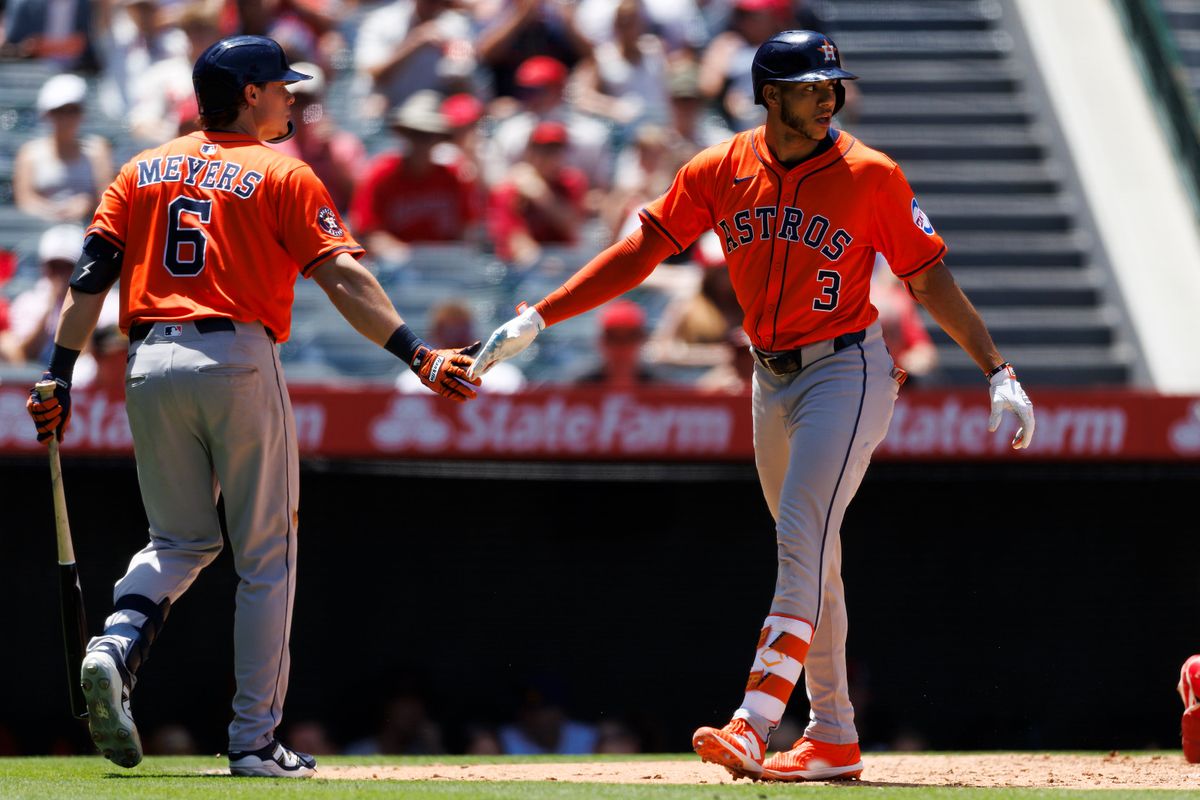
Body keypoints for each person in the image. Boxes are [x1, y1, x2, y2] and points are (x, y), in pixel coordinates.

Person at [468, 30, 1035, 782]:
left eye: (832, 85)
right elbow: (641, 251)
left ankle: (756, 720)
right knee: (816, 558)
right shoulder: (720, 167)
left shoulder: (871, 173)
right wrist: (542, 314)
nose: (827, 96)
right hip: (769, 378)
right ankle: (833, 736)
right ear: (769, 94)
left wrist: (996, 367)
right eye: (809, 86)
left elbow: (929, 281)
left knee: (801, 535)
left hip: (849, 369)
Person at [24, 34, 480, 778]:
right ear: (248, 94)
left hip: (147, 360)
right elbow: (344, 281)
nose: (292, 97)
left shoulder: (141, 167)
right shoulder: (281, 171)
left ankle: (113, 643)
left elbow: (88, 280)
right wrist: (417, 353)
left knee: (178, 540)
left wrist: (59, 376)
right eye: (280, 87)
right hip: (235, 353)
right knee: (267, 556)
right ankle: (253, 741)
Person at [349, 90, 479, 264]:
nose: (421, 143)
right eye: (415, 134)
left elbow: (466, 232)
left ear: (439, 138)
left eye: (428, 136)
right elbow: (367, 231)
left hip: (444, 270)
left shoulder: (454, 178)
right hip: (394, 272)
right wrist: (403, 256)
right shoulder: (380, 174)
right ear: (405, 135)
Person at [13, 73, 114, 224]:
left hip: (89, 229)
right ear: (47, 114)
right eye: (59, 111)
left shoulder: (97, 150)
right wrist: (54, 212)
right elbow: (25, 200)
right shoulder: (29, 153)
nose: (66, 118)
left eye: (72, 110)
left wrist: (88, 204)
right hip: (40, 231)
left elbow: (106, 197)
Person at [488, 119, 588, 265]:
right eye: (546, 151)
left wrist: (542, 196)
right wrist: (543, 267)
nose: (554, 158)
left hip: (563, 266)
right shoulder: (509, 188)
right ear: (530, 151)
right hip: (520, 272)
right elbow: (517, 244)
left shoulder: (571, 182)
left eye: (558, 150)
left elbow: (573, 228)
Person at [396, 301, 526, 394]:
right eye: (449, 331)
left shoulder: (505, 378)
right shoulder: (411, 384)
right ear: (435, 335)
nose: (456, 337)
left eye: (462, 330)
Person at [572, 299, 662, 386]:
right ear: (601, 341)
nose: (622, 347)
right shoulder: (581, 387)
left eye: (630, 337)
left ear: (642, 339)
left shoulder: (661, 388)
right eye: (613, 338)